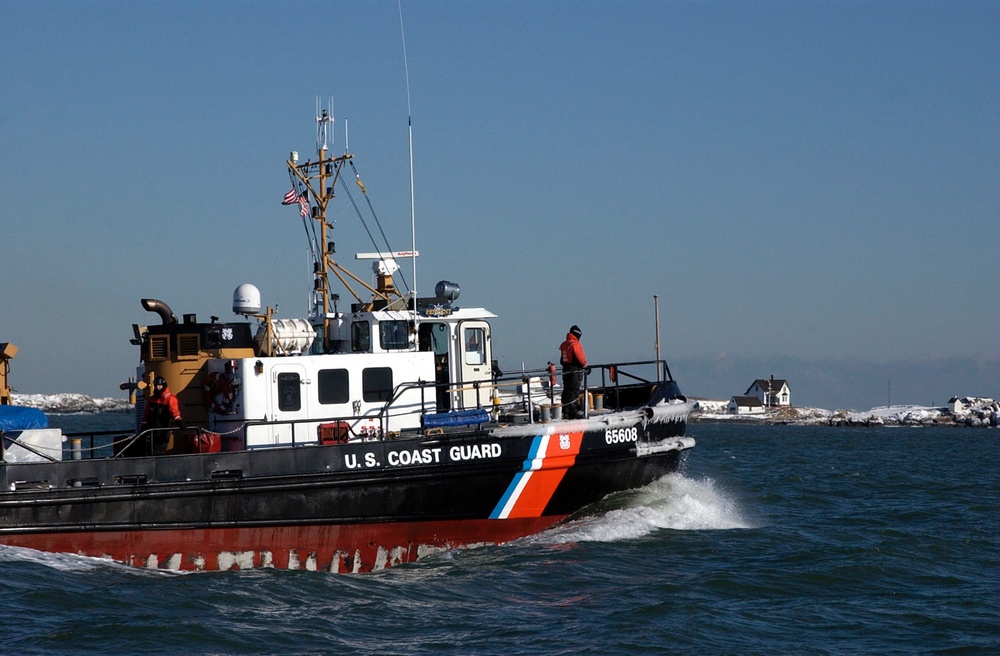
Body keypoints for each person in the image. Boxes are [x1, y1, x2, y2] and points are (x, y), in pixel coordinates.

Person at [140, 376, 184, 455]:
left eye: (160, 385)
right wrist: (144, 424)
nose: (158, 387)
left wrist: (179, 421)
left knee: (157, 451)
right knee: (148, 450)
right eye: (156, 385)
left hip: (162, 431)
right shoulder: (152, 399)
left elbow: (174, 411)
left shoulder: (169, 398)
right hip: (151, 430)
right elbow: (147, 413)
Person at [559, 325, 589, 418]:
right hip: (575, 370)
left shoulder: (564, 344)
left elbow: (562, 361)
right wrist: (586, 366)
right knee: (574, 390)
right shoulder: (575, 344)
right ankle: (573, 411)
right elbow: (580, 358)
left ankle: (565, 411)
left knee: (567, 390)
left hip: (566, 370)